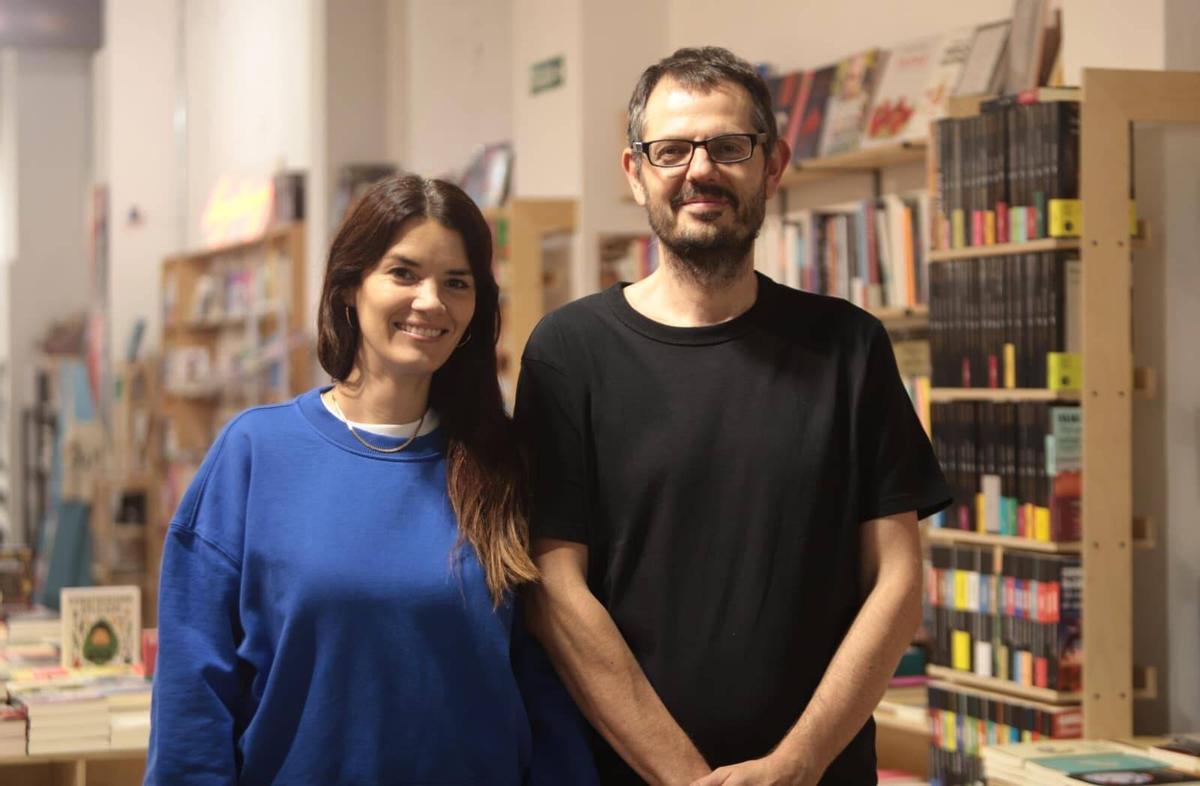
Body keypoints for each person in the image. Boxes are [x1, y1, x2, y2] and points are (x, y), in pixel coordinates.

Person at [516, 47, 952, 786]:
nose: (700, 170)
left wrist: (799, 762)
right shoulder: (569, 352)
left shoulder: (849, 345)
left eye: (728, 147)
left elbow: (898, 582)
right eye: (672, 150)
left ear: (772, 164)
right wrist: (687, 778)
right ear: (635, 173)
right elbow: (556, 595)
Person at [146, 174, 596, 785]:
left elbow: (546, 681)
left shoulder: (504, 462)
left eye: (456, 283)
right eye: (403, 273)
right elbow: (194, 691)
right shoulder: (255, 454)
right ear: (350, 287)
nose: (431, 301)